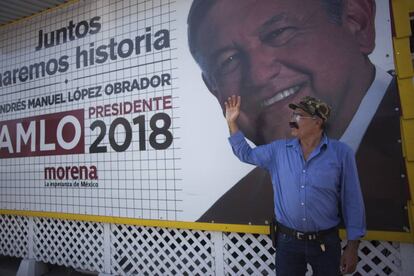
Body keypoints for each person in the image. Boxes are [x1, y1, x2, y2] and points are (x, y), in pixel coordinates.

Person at [187, 0, 408, 231]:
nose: (259, 75)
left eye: (279, 32)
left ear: (357, 22)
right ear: (214, 90)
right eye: (228, 61)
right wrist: (232, 125)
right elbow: (245, 154)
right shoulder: (230, 212)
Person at [225, 94, 365, 275]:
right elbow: (246, 154)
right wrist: (232, 123)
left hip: (326, 244)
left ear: (317, 122)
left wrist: (353, 248)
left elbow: (352, 201)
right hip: (287, 243)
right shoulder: (278, 150)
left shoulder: (341, 153)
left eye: (298, 116)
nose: (292, 121)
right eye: (292, 116)